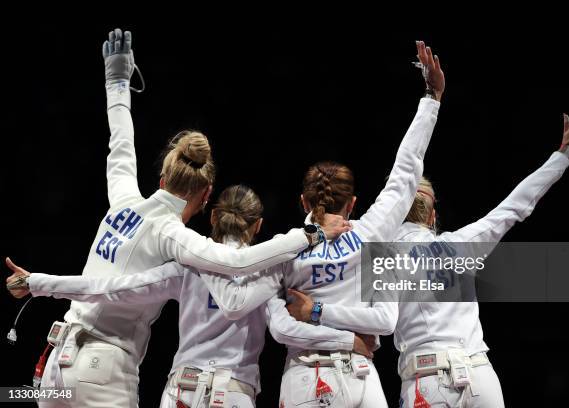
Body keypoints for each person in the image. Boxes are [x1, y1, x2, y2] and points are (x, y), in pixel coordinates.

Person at [5, 28, 349, 408]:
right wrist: (310, 233)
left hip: (55, 364)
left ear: (163, 179)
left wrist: (116, 80)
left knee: (12, 397)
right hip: (102, 372)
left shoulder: (123, 200)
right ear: (205, 197)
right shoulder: (173, 237)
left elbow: (119, 144)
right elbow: (237, 264)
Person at [7, 185, 373, 408]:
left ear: (213, 217)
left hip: (160, 388)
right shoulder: (271, 270)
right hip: (234, 393)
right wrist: (346, 338)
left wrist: (40, 282)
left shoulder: (186, 267)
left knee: (15, 394)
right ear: (258, 226)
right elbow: (284, 330)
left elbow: (110, 288)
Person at [392, 104, 569, 407]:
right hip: (481, 378)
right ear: (433, 216)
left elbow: (374, 324)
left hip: (428, 379)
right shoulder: (462, 244)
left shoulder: (378, 257)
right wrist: (564, 154)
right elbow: (515, 205)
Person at [275, 40, 443, 408]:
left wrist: (316, 313)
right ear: (353, 203)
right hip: (361, 380)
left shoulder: (281, 249)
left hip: (305, 376)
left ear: (302, 201)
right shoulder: (370, 234)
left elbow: (279, 325)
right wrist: (431, 98)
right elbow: (405, 173)